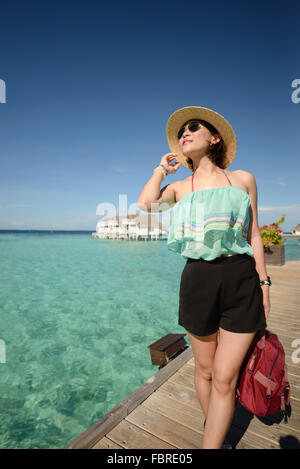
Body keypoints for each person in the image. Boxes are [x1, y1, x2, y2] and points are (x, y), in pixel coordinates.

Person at [137, 106, 271, 449]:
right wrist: (160, 170)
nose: (185, 132)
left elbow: (254, 234)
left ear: (214, 138)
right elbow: (147, 204)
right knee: (207, 371)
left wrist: (264, 283)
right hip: (197, 280)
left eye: (193, 127)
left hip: (241, 278)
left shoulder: (243, 179)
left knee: (226, 378)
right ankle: (218, 435)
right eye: (181, 131)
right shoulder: (181, 187)